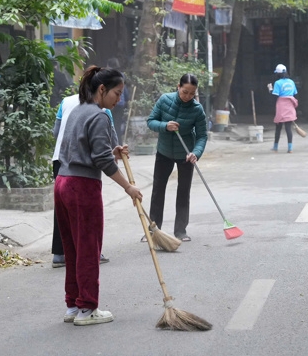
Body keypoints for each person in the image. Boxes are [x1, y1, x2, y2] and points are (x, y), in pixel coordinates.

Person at [55, 66, 142, 326]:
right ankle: (88, 309)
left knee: (72, 248)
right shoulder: (99, 115)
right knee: (89, 249)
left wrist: (113, 151)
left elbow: (86, 149)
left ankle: (73, 305)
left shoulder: (77, 110)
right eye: (117, 93)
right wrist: (128, 187)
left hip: (62, 182)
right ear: (102, 89)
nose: (119, 100)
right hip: (82, 187)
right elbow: (101, 160)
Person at [50, 93, 112, 268]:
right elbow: (107, 141)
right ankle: (90, 252)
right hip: (83, 167)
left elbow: (56, 132)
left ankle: (60, 254)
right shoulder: (102, 109)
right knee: (85, 213)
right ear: (101, 88)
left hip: (60, 161)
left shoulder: (66, 102)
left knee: (63, 210)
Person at [146, 73, 208, 242]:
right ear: (178, 87)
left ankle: (180, 230)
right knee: (158, 190)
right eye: (185, 91)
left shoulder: (197, 109)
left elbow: (202, 135)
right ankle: (153, 230)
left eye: (192, 93)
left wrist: (196, 152)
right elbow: (151, 121)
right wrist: (165, 126)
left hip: (185, 154)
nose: (187, 96)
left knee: (183, 191)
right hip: (164, 152)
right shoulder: (165, 100)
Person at [268, 64, 297, 153]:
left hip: (281, 106)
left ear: (278, 74)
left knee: (278, 127)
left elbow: (275, 95)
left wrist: (270, 89)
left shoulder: (277, 83)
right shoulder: (292, 82)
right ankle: (290, 148)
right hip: (290, 105)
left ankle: (275, 147)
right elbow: (295, 93)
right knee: (288, 128)